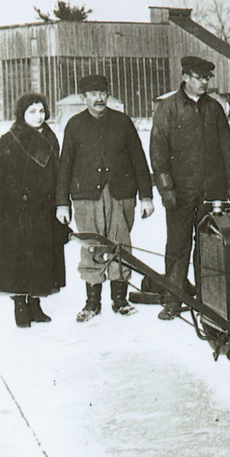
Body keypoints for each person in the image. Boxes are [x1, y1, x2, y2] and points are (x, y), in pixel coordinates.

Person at [56, 74, 154, 321]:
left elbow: (139, 161)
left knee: (119, 242)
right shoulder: (74, 125)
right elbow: (64, 165)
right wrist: (61, 203)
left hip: (121, 194)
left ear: (108, 95)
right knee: (92, 244)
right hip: (86, 196)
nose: (98, 98)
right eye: (92, 94)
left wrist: (146, 196)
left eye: (102, 93)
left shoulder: (122, 122)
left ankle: (119, 300)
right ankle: (92, 302)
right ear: (83, 98)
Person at [150, 55, 230, 320]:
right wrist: (167, 191)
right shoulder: (167, 109)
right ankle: (173, 299)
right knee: (177, 247)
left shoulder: (214, 108)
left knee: (209, 247)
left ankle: (208, 299)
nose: (205, 83)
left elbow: (227, 150)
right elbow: (158, 153)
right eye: (200, 78)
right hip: (180, 194)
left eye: (208, 78)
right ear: (185, 77)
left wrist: (229, 188)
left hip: (211, 194)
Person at [0, 93, 68, 327]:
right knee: (17, 259)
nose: (38, 116)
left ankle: (36, 304)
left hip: (43, 210)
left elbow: (58, 173)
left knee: (41, 257)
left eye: (41, 111)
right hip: (15, 212)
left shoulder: (50, 138)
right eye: (32, 112)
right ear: (22, 114)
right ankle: (20, 304)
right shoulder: (9, 139)